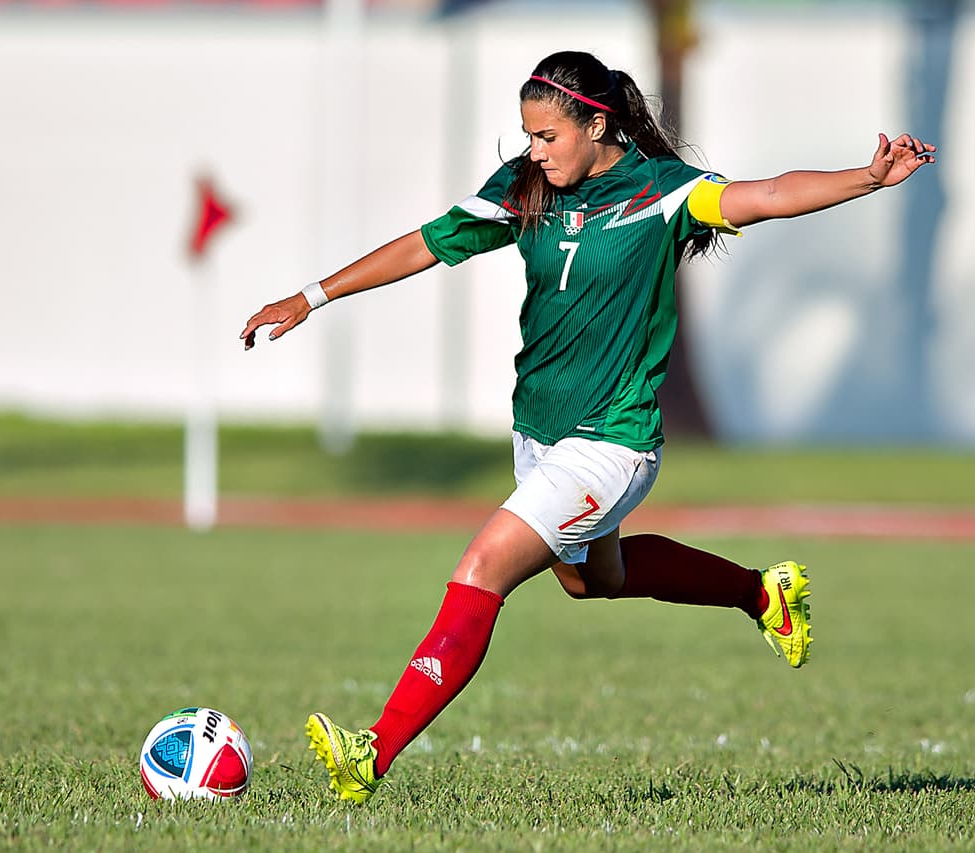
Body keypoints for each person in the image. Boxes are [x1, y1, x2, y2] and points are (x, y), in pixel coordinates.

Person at [240, 50, 936, 804]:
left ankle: (369, 753)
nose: (534, 152)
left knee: (481, 569)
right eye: (528, 136)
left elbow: (765, 194)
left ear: (596, 123)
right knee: (589, 579)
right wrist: (313, 295)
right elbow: (426, 242)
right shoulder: (526, 189)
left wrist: (865, 178)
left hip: (611, 440)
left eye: (547, 137)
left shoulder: (664, 194)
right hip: (539, 431)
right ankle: (761, 595)